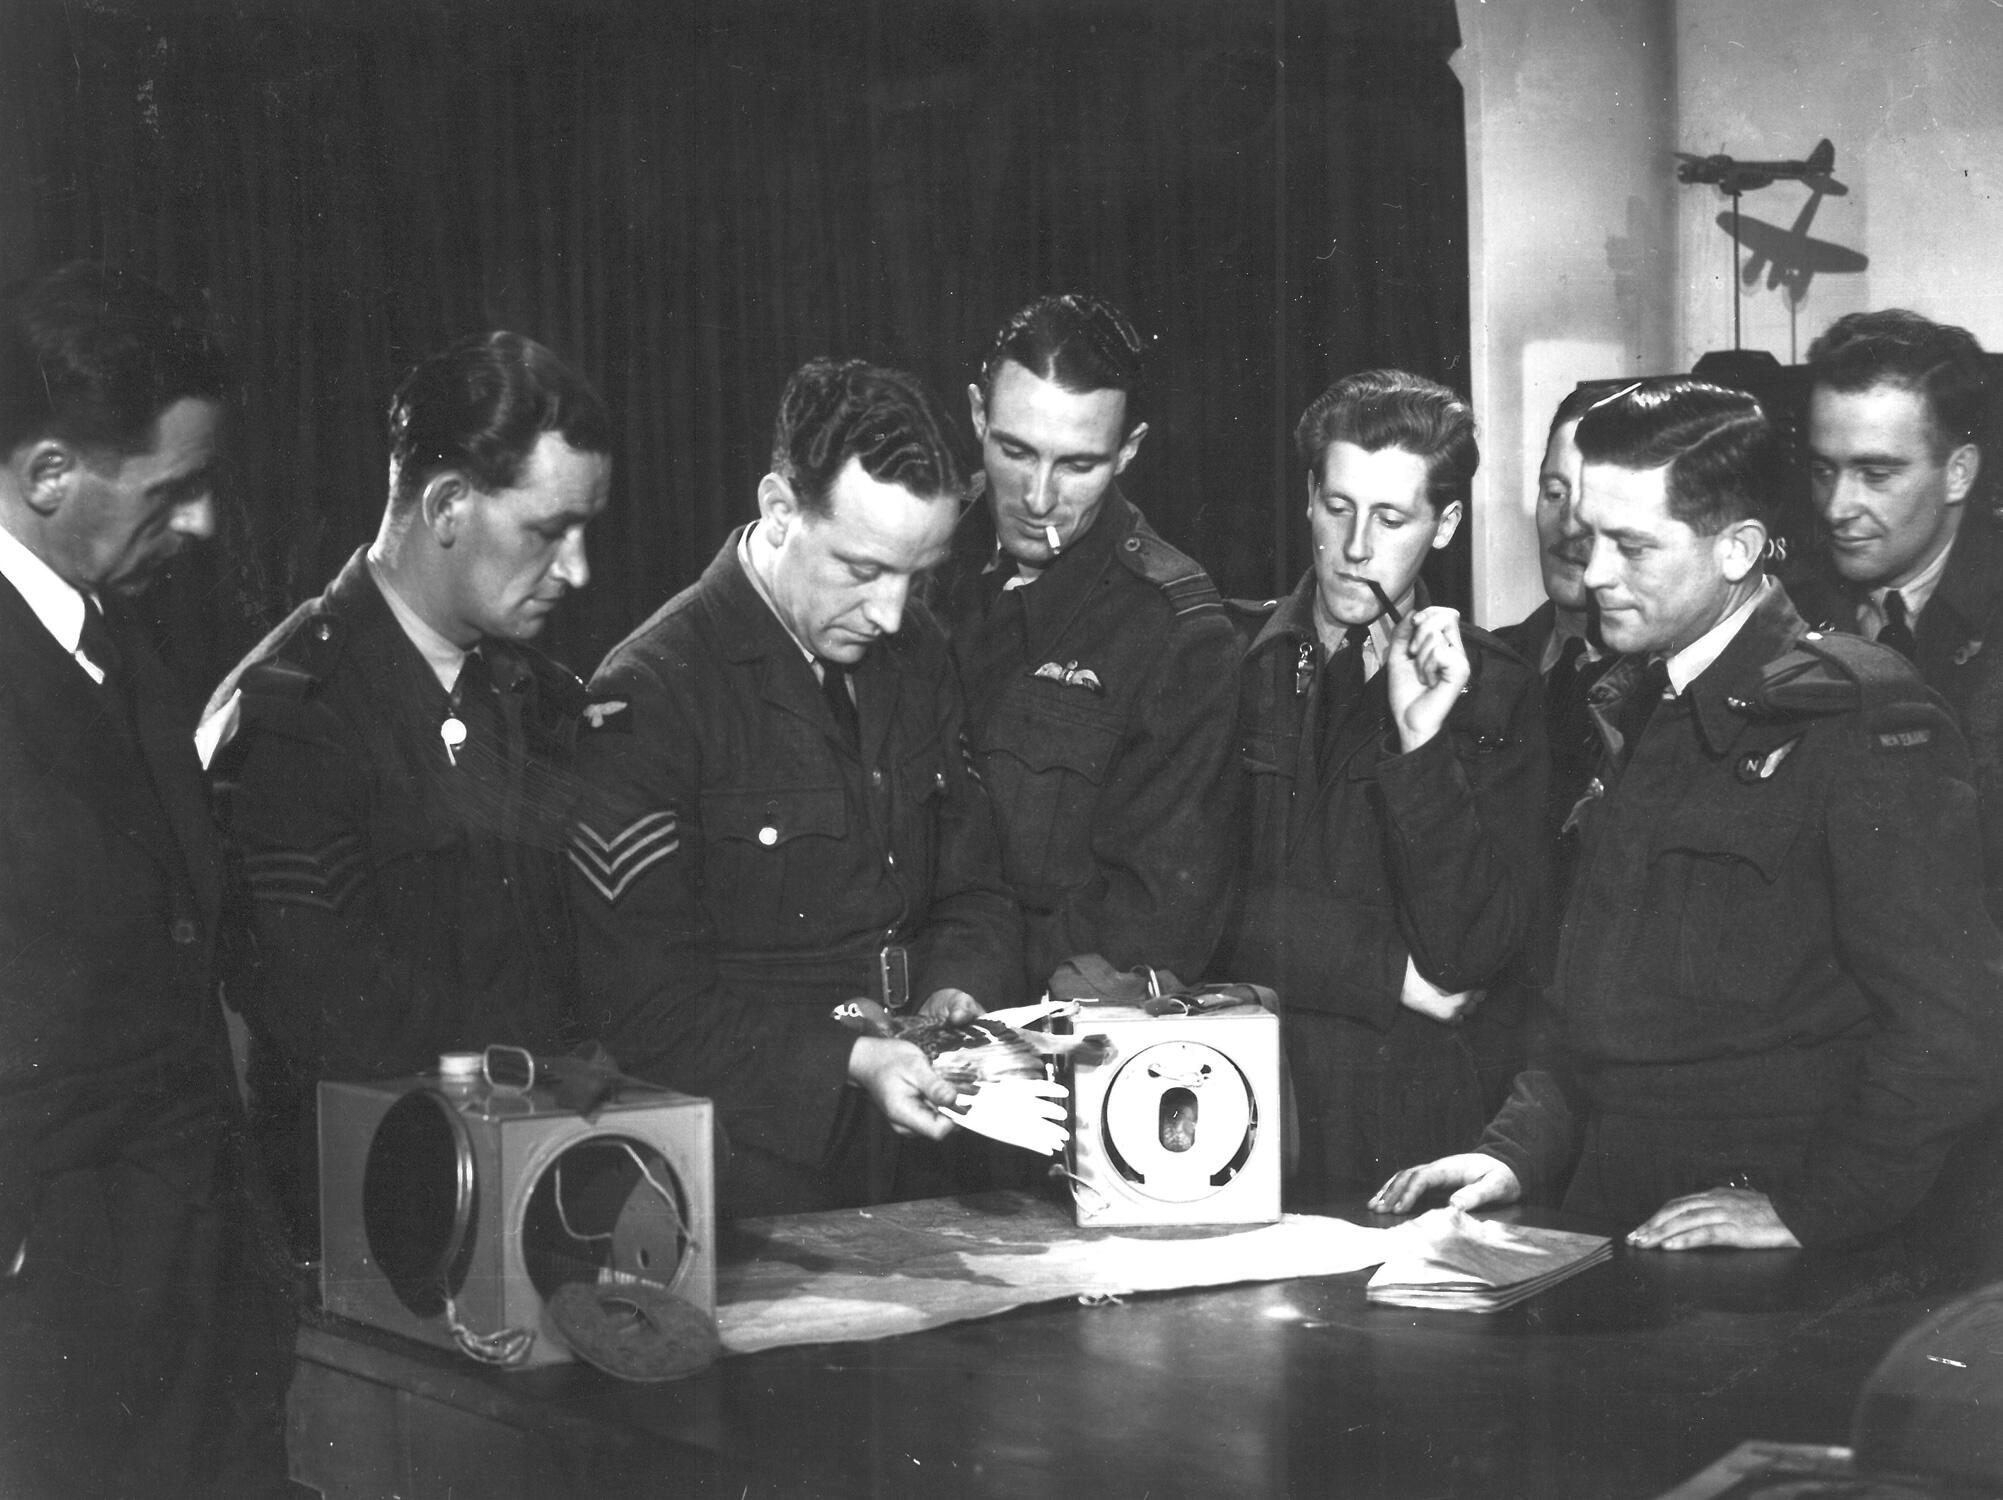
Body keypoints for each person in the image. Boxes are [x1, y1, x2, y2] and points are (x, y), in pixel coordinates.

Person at [1374, 378, 2003, 1250]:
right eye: (1589, 537)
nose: (1592, 573)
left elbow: (1951, 1033)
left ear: (1738, 549)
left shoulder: (1855, 719)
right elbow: (1589, 1007)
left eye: (1630, 546)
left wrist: (1810, 1210)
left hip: (1759, 1238)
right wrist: (1515, 1153)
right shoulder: (1645, 700)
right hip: (1612, 1208)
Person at [567, 357, 1027, 1218]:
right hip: (758, 1176)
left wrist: (955, 991)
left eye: (915, 575)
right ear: (779, 511)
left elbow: (976, 888)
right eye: (862, 570)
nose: (891, 613)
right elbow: (646, 1010)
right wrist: (849, 1061)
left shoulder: (918, 652)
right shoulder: (653, 693)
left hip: (927, 1158)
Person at [205, 331, 612, 1254]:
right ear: (446, 505)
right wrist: (552, 1061)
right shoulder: (293, 711)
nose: (578, 570)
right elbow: (327, 1007)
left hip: (548, 1198)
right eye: (549, 532)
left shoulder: (540, 699)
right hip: (378, 1229)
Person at [0, 262, 289, 1496]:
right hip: (54, 1343)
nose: (205, 523)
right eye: (174, 489)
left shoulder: (120, 632)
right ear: (50, 474)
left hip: (190, 1313)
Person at [1212, 369, 1547, 1196]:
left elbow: (1467, 958)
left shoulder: (1497, 690)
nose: (1356, 548)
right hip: (1225, 1109)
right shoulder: (1217, 656)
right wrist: (1378, 969)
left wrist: (1421, 741)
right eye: (1337, 508)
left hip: (1399, 1129)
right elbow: (1177, 909)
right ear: (1307, 499)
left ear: (1445, 526)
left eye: (1391, 519)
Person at [941, 294, 1239, 990]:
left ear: (1127, 451)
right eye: (1014, 451)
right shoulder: (913, 558)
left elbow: (1152, 923)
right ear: (978, 414)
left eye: (1076, 465)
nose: (1037, 497)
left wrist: (961, 982)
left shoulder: (1177, 633)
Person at [1802, 310, 2003, 916]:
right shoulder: (1783, 607)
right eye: (1823, 470)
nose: (1838, 507)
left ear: (1958, 473)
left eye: (1876, 474)